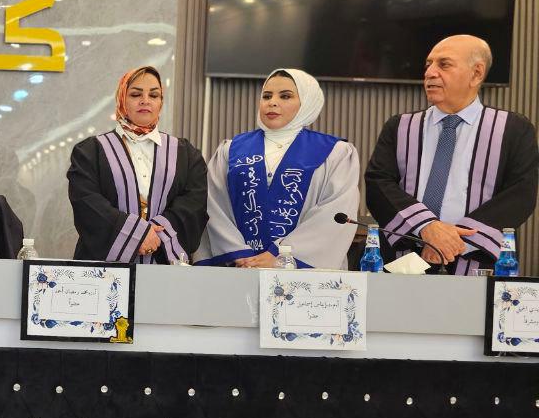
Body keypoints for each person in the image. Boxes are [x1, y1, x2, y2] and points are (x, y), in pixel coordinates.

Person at [366, 35, 538, 274]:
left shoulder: (512, 129)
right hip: (405, 259)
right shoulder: (401, 126)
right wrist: (427, 228)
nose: (430, 73)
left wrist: (452, 242)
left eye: (444, 64)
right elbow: (378, 183)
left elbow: (520, 194)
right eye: (428, 65)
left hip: (478, 261)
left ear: (476, 74)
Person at [196, 69, 359, 269]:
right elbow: (213, 205)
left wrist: (281, 256)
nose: (272, 102)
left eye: (285, 96)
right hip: (239, 268)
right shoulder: (231, 150)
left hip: (300, 273)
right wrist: (240, 254)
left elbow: (335, 211)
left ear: (307, 102)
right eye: (267, 96)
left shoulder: (335, 153)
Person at [67, 65, 208, 263]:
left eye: (154, 95)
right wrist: (136, 234)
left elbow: (194, 203)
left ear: (161, 102)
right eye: (135, 94)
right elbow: (87, 203)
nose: (145, 101)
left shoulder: (186, 154)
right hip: (105, 267)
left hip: (163, 265)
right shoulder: (90, 152)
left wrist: (158, 234)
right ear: (121, 99)